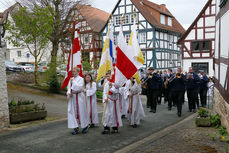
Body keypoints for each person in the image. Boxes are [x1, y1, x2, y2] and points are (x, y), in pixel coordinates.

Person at [67, 67, 90, 135]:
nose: (73, 73)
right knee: (73, 112)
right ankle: (75, 127)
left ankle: (85, 126)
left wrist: (73, 81)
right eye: (73, 71)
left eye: (74, 71)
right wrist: (69, 93)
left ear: (78, 72)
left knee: (81, 112)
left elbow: (79, 87)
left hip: (79, 97)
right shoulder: (71, 79)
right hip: (73, 98)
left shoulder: (81, 79)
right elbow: (68, 88)